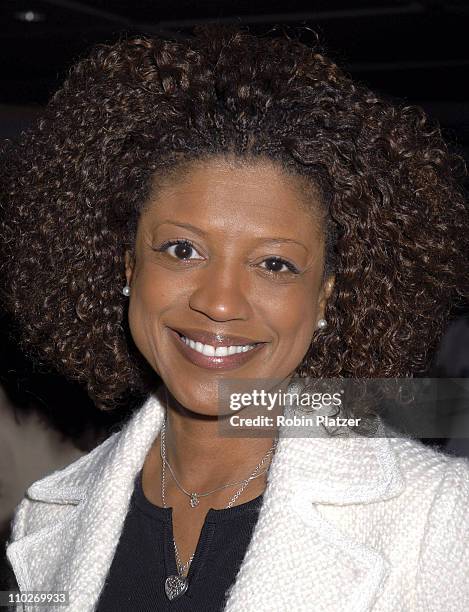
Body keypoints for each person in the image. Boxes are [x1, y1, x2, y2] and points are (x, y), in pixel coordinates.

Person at [2, 24, 469, 612]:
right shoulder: (48, 516)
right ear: (127, 267)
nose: (220, 302)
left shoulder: (440, 516)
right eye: (182, 250)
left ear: (325, 296)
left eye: (274, 264)